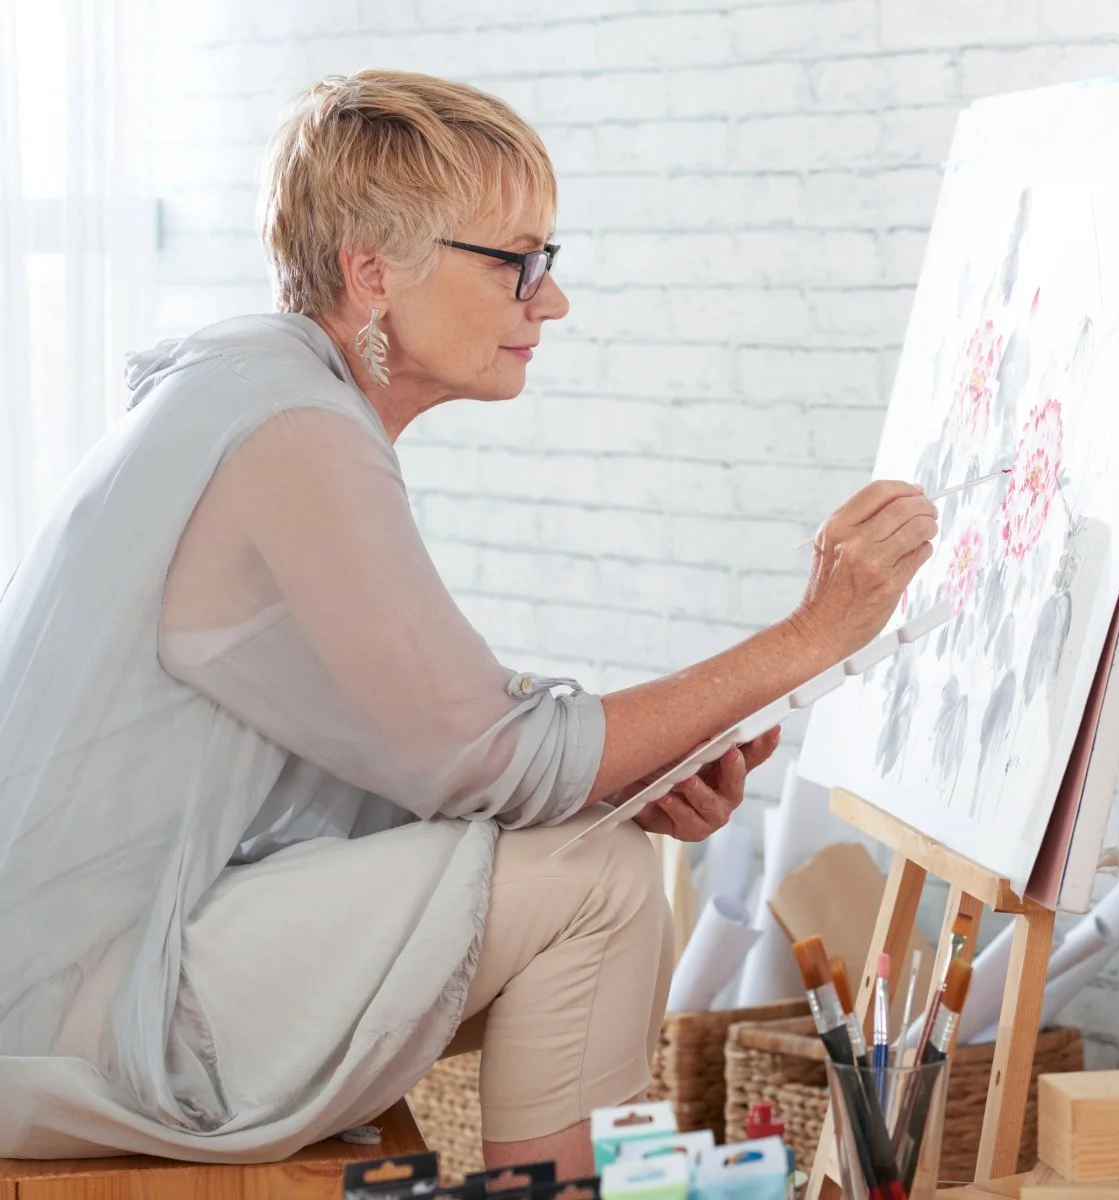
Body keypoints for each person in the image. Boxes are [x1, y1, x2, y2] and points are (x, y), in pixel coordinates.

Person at [0, 70, 936, 1174]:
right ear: (372, 271)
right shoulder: (292, 429)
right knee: (595, 884)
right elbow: (488, 758)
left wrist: (621, 778)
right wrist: (814, 635)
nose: (550, 300)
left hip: (69, 981)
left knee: (589, 850)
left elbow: (427, 742)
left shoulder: (253, 394)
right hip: (71, 1017)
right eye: (517, 263)